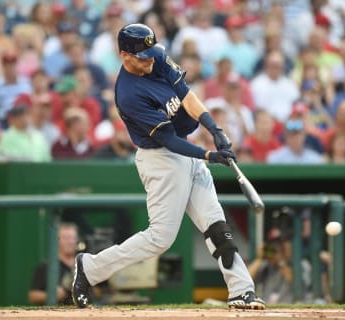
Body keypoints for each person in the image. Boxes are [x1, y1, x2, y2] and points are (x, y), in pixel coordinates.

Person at [71, 23, 265, 310]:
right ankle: (90, 267)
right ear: (124, 55)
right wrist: (209, 156)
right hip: (160, 159)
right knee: (160, 239)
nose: (150, 59)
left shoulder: (157, 55)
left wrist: (214, 127)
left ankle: (241, 290)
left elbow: (186, 96)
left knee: (216, 225)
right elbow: (169, 141)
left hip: (186, 151)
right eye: (142, 56)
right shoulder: (128, 95)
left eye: (152, 53)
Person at [28, 223, 79, 305]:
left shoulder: (84, 264)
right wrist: (51, 295)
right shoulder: (46, 266)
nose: (70, 242)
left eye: (73, 238)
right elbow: (32, 296)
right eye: (66, 238)